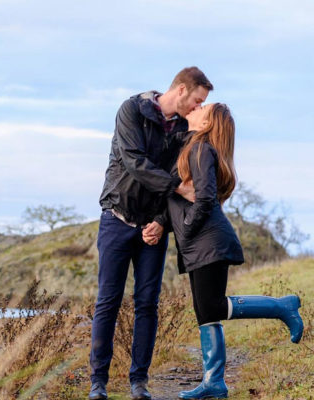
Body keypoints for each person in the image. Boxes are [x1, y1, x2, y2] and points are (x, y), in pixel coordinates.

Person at [143, 103, 304, 399]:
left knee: (213, 306)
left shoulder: (201, 149)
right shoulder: (193, 148)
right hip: (200, 244)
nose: (196, 106)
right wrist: (160, 222)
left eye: (203, 106)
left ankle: (282, 306)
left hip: (208, 242)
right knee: (205, 312)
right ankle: (213, 382)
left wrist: (187, 232)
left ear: (208, 121)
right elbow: (180, 200)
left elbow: (203, 200)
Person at [89, 67, 213, 400]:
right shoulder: (133, 109)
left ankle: (138, 383)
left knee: (147, 304)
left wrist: (161, 221)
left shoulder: (185, 132)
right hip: (116, 219)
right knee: (108, 302)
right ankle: (97, 383)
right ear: (182, 90)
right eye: (198, 101)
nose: (198, 108)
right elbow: (134, 162)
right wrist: (176, 186)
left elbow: (181, 175)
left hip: (153, 228)